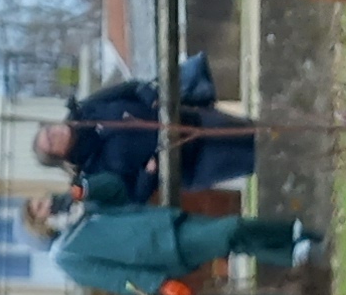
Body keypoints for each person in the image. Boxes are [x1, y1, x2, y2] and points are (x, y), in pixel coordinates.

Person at [23, 181, 312, 295]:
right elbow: (112, 277)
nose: (45, 203)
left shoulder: (80, 207)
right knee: (229, 232)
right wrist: (157, 284)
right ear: (39, 225)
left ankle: (293, 240)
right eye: (37, 208)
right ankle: (293, 249)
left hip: (165, 223)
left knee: (235, 236)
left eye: (40, 200)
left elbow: (116, 189)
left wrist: (83, 190)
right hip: (161, 252)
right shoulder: (65, 255)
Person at [31, 50, 257, 205]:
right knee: (256, 159)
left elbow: (132, 88)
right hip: (192, 164)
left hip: (189, 121)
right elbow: (133, 195)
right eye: (51, 141)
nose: (56, 133)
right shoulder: (93, 171)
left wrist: (152, 99)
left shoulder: (88, 109)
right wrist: (149, 173)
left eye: (50, 130)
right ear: (58, 156)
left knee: (256, 132)